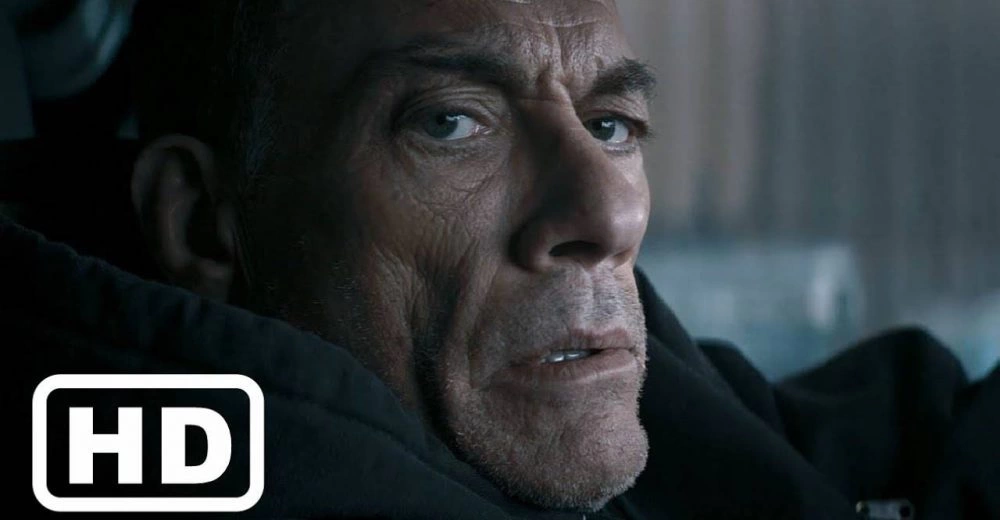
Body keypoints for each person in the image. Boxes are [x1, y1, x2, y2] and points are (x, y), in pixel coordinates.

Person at [2, 1, 998, 518]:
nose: (607, 212)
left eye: (612, 123)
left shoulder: (569, 370)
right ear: (204, 227)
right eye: (451, 122)